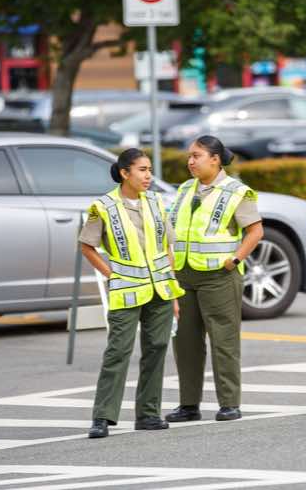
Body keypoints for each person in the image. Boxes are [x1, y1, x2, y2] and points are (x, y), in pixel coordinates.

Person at [79, 148, 184, 438]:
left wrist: (173, 293)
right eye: (142, 170)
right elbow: (87, 246)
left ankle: (148, 414)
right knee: (118, 352)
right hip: (126, 290)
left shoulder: (157, 202)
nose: (148, 176)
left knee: (156, 349)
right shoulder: (103, 207)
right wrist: (111, 274)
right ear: (125, 173)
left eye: (149, 169)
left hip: (160, 290)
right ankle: (102, 417)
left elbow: (167, 248)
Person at [165, 136, 264, 423]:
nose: (190, 161)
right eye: (189, 156)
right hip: (184, 274)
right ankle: (188, 404)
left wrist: (235, 260)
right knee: (185, 342)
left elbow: (255, 231)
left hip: (219, 276)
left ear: (215, 159)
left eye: (196, 156)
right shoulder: (185, 189)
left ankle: (229, 403)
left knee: (224, 340)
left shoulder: (237, 191)